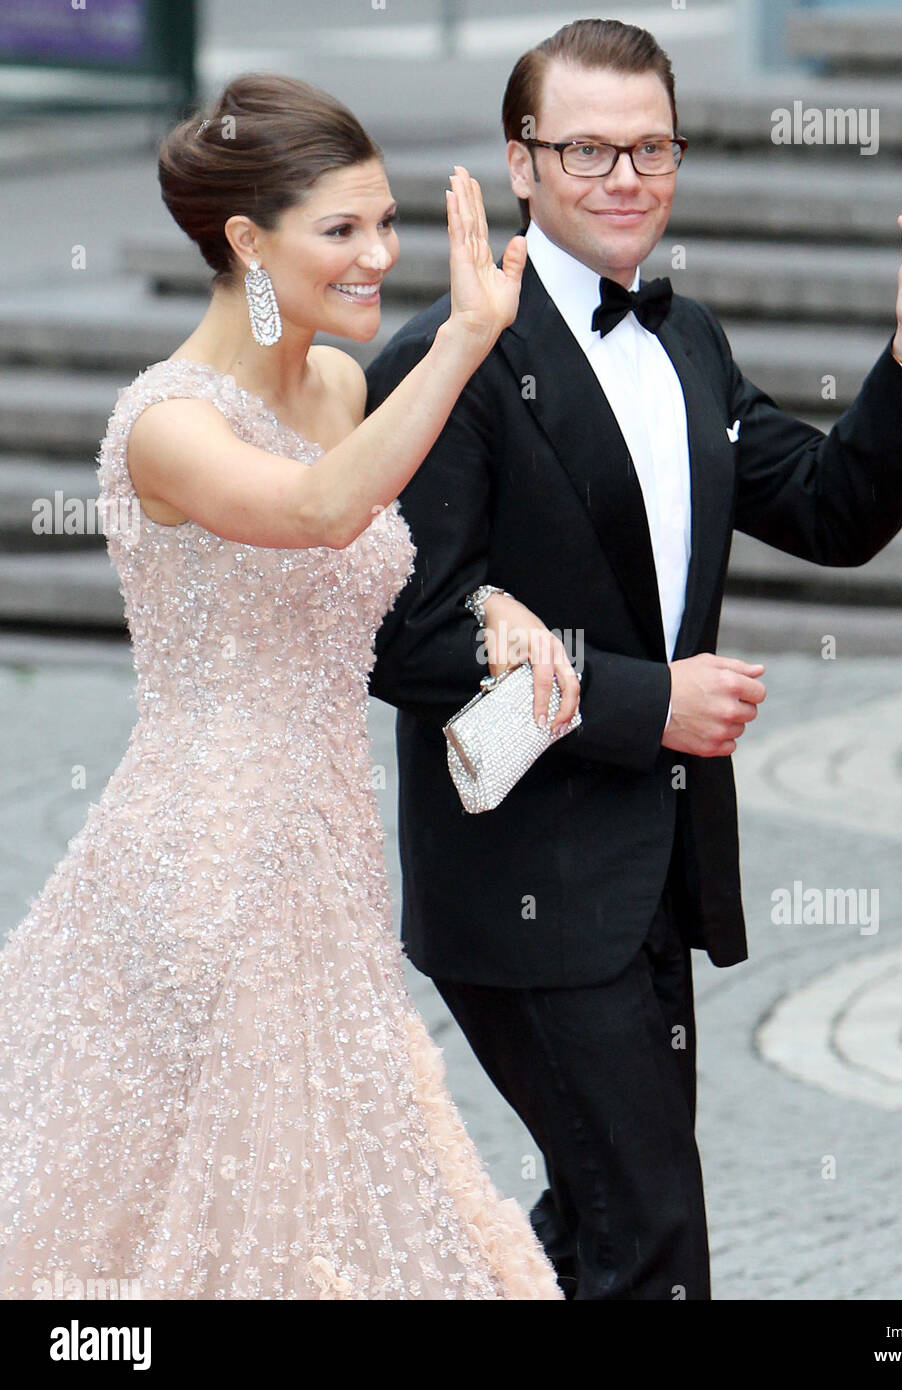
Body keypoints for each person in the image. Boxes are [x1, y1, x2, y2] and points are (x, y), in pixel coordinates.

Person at [365, 18, 902, 1300]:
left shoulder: (689, 345)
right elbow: (408, 635)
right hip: (526, 883)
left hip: (654, 872)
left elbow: (834, 511)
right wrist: (649, 702)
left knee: (603, 1215)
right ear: (522, 163)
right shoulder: (448, 360)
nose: (625, 176)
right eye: (586, 149)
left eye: (651, 148)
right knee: (654, 1236)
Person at [0, 72, 577, 1300]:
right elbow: (320, 513)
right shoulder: (164, 424)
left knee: (308, 1204)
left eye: (386, 222)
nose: (380, 254)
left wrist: (490, 609)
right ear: (250, 243)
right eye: (344, 229)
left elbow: (362, 582)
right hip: (212, 867)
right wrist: (472, 335)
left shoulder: (335, 389)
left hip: (328, 857)